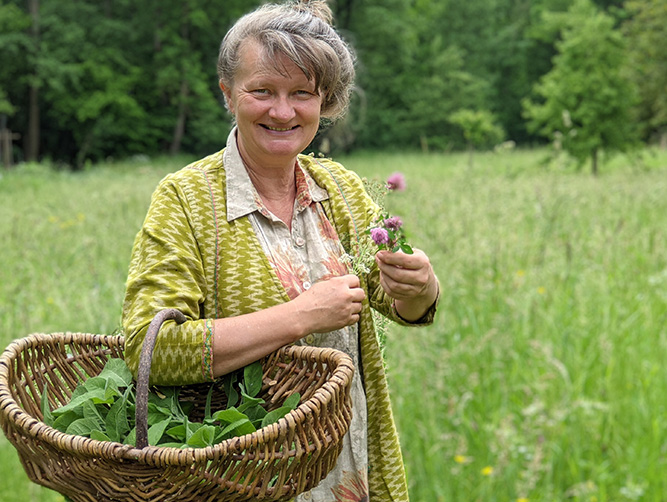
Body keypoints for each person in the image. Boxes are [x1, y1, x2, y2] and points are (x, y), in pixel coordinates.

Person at [122, 1, 439, 500]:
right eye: (262, 91)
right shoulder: (186, 198)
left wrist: (421, 286)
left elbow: (404, 306)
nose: (283, 111)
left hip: (350, 472)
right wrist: (300, 316)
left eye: (302, 93)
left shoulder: (342, 190)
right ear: (228, 93)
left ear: (324, 100)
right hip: (243, 481)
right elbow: (151, 350)